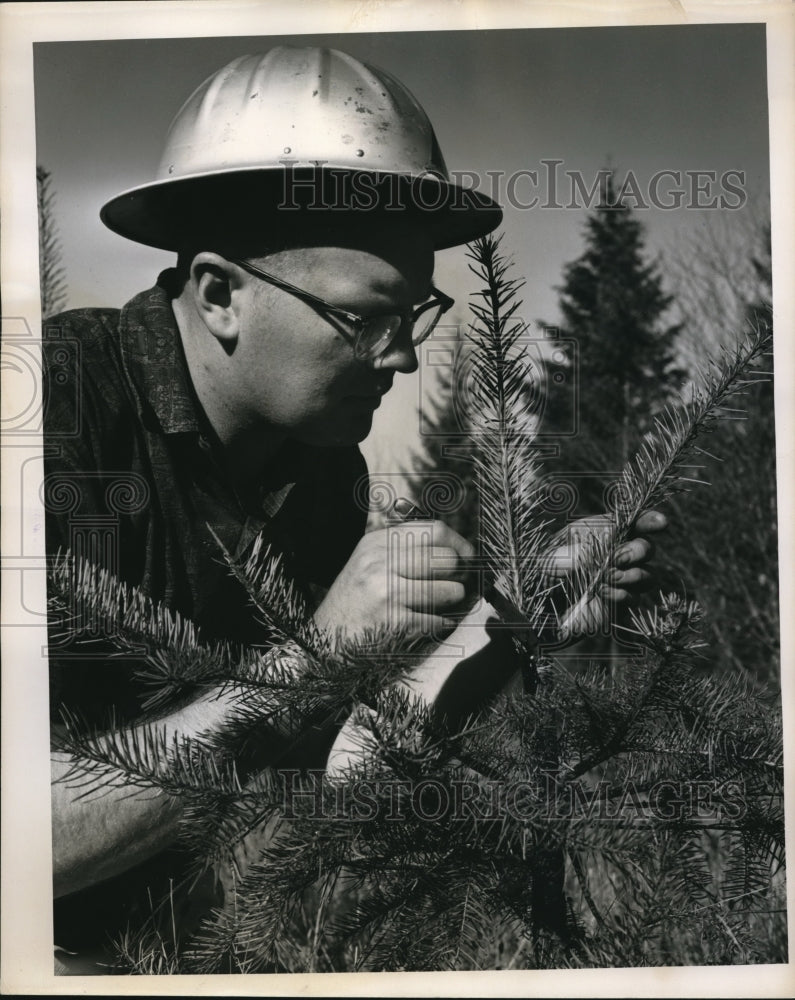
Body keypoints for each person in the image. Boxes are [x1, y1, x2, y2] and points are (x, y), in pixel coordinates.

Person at [43, 46, 664, 973]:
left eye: (415, 314)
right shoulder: (52, 418)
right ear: (218, 294)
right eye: (364, 317)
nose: (403, 359)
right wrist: (310, 659)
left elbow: (324, 774)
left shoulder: (322, 473)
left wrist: (506, 632)